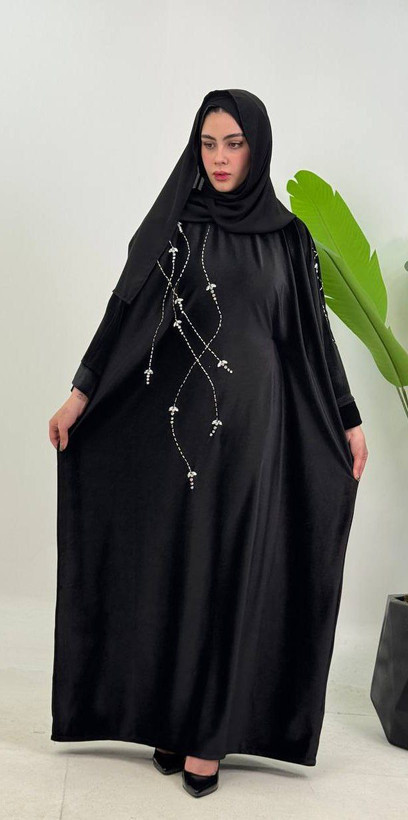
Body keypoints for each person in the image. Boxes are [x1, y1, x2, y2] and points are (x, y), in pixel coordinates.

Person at [48, 88, 368, 799]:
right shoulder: (178, 226)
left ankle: (208, 738)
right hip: (180, 434)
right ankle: (174, 716)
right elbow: (124, 310)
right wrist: (81, 392)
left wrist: (347, 418)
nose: (220, 158)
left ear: (257, 147)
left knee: (231, 571)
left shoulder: (289, 238)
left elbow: (313, 336)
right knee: (182, 568)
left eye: (234, 144)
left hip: (260, 432)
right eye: (208, 143)